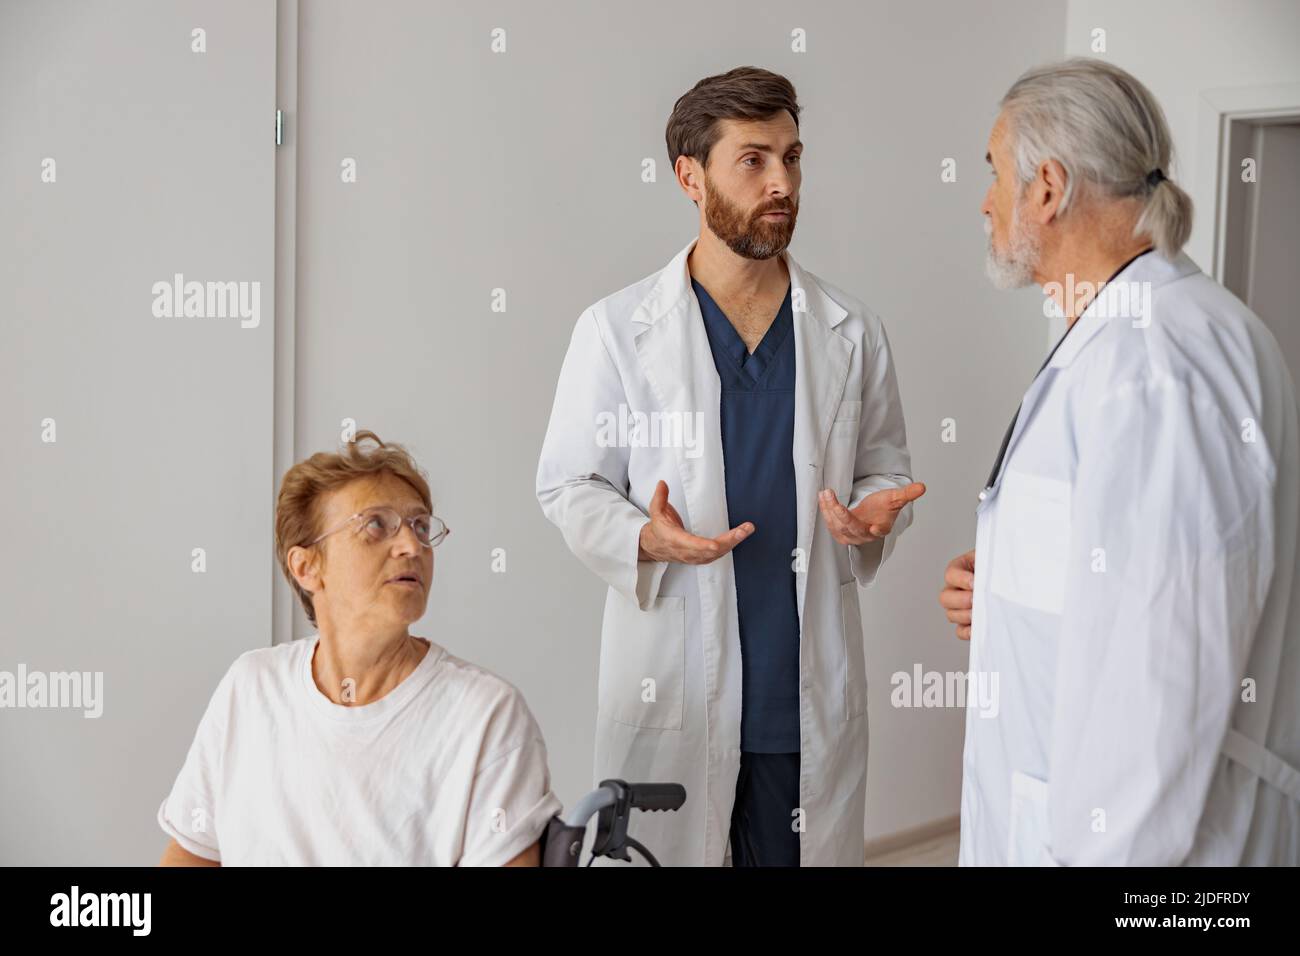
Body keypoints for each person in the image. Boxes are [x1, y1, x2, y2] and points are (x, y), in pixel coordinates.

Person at [537, 67, 924, 866]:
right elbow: (569, 483)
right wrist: (645, 536)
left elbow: (886, 470)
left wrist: (877, 510)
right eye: (753, 159)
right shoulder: (615, 330)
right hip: (674, 689)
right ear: (690, 176)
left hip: (800, 697)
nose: (782, 182)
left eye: (792, 157)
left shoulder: (851, 330)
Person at [939, 58, 1300, 865]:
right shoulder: (1121, 335)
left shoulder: (1156, 363)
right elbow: (1130, 576)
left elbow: (1160, 679)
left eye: (996, 172)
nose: (986, 200)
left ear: (1049, 188)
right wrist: (1003, 581)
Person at [158, 430, 561, 865]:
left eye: (420, 526)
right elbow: (191, 855)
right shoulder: (251, 687)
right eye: (375, 525)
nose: (412, 546)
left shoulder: (486, 715)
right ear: (307, 566)